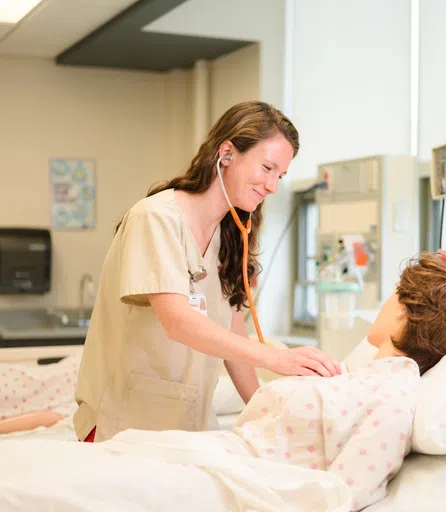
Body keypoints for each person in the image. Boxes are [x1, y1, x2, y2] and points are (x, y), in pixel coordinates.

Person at [0, 253, 446, 511]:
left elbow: (342, 492)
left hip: (225, 485)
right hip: (205, 459)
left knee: (43, 483)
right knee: (44, 464)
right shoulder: (361, 376)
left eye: (392, 297)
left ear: (405, 316)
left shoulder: (395, 395)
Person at [73, 101, 341, 444]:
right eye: (267, 167)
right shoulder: (155, 218)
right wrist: (277, 357)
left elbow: (231, 326)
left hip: (189, 425)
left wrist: (263, 410)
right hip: (124, 424)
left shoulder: (228, 233)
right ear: (226, 153)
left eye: (281, 175)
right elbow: (178, 320)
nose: (273, 186)